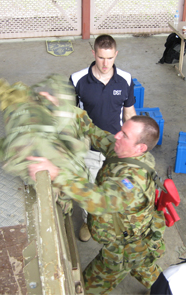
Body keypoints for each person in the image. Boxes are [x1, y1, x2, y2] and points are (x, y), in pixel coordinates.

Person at [28, 115, 165, 294]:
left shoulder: (132, 182)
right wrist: (65, 109)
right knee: (146, 269)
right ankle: (169, 289)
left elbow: (98, 200)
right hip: (137, 240)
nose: (117, 136)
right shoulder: (125, 152)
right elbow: (93, 131)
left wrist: (56, 173)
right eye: (121, 130)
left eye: (124, 135)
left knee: (85, 288)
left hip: (122, 250)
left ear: (141, 148)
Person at [70, 34, 137, 241]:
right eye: (100, 58)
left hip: (116, 148)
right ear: (93, 54)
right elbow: (71, 116)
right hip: (89, 148)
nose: (105, 63)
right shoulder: (77, 80)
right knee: (90, 190)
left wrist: (132, 144)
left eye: (110, 58)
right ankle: (88, 222)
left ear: (116, 54)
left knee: (118, 185)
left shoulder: (125, 79)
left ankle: (115, 218)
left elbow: (129, 114)